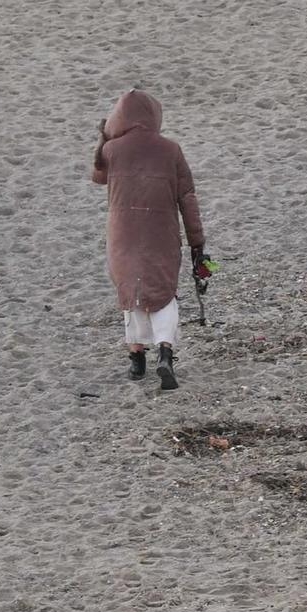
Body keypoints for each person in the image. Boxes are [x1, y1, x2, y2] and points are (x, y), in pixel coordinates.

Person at [91, 89, 207, 392]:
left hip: (123, 233)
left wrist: (105, 137)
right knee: (164, 291)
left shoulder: (112, 151)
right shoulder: (171, 150)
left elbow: (97, 176)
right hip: (161, 231)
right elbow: (188, 197)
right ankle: (165, 351)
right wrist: (197, 242)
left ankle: (136, 359)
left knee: (130, 289)